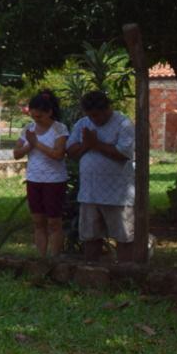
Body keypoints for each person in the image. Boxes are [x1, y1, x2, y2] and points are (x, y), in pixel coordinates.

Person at [67, 90, 136, 261]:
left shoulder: (123, 123)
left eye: (97, 115)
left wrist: (95, 144)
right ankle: (92, 271)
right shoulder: (82, 124)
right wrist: (87, 145)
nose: (94, 120)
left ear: (107, 109)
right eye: (90, 116)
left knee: (123, 237)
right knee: (90, 236)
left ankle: (125, 272)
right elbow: (71, 151)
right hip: (90, 193)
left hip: (118, 194)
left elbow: (124, 153)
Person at [13, 90, 68, 256]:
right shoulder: (29, 129)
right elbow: (16, 153)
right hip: (34, 179)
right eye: (33, 116)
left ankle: (54, 257)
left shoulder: (59, 129)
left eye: (40, 116)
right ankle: (41, 257)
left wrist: (36, 143)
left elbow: (58, 155)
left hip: (54, 181)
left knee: (54, 222)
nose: (36, 120)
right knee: (38, 221)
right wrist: (29, 145)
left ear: (49, 112)